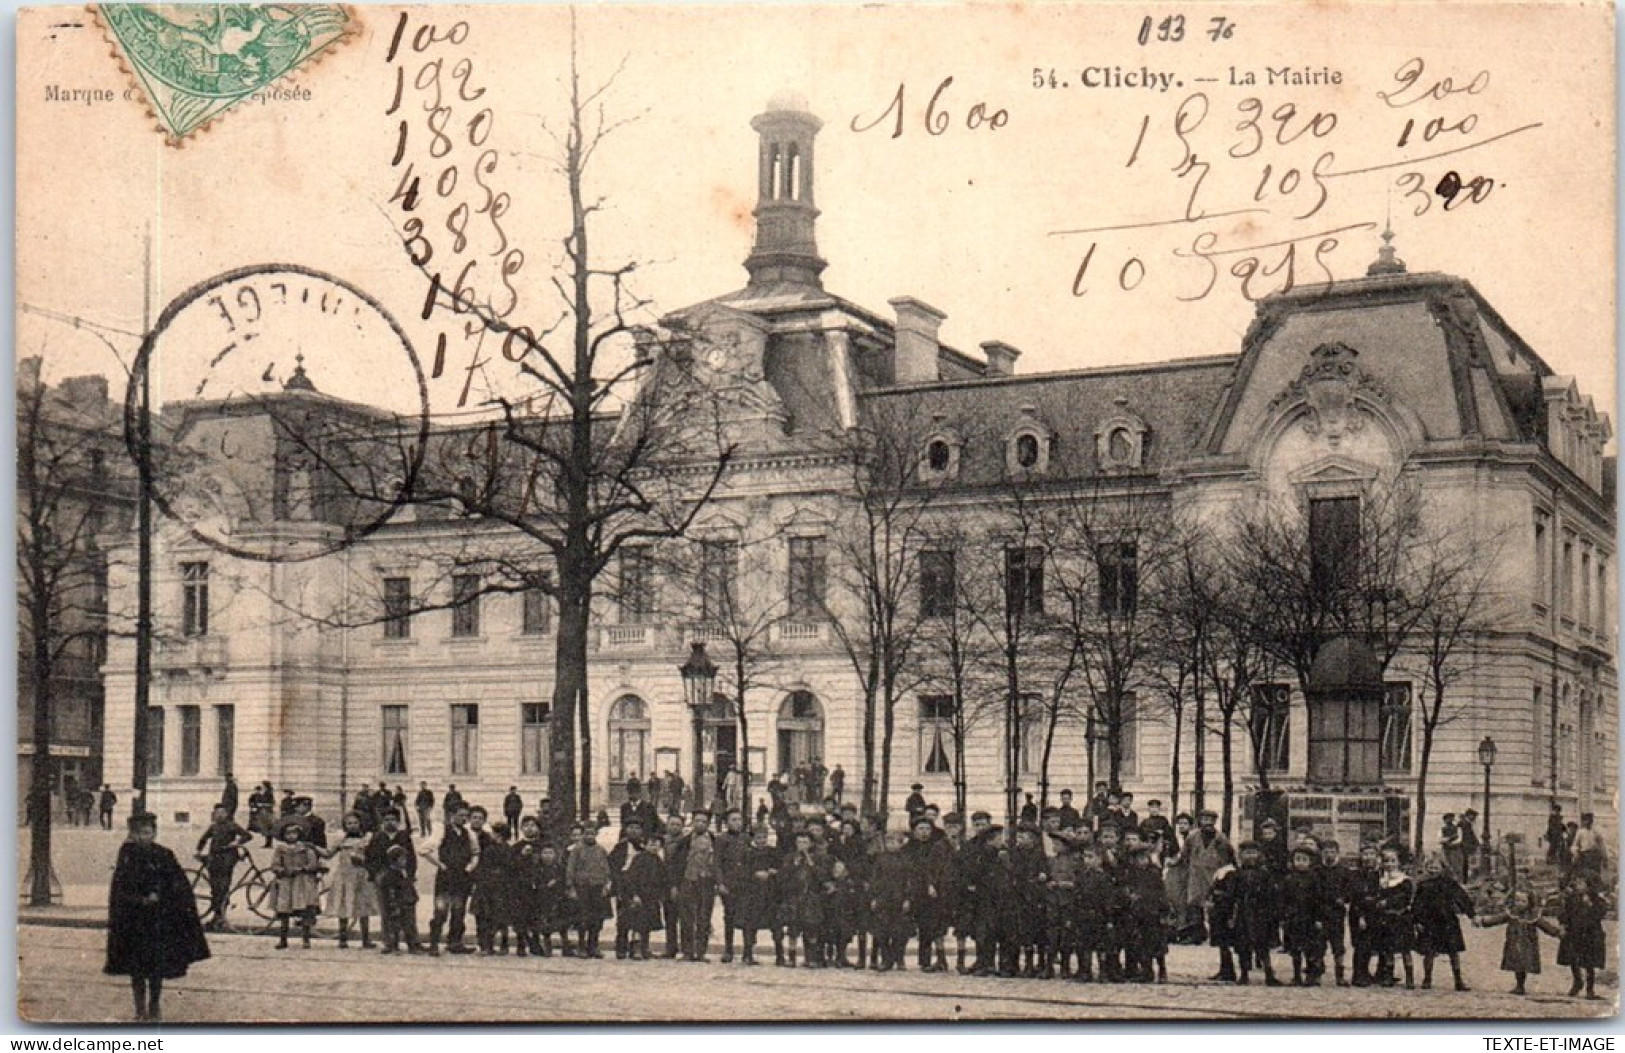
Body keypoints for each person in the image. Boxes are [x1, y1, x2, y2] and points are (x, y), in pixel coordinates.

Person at [105, 812, 210, 1022]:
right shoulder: (126, 855)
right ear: (132, 834)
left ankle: (154, 1006)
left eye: (148, 832)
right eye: (140, 833)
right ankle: (139, 1008)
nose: (145, 837)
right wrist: (139, 899)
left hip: (157, 921)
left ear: (154, 833)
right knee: (136, 968)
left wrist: (161, 895)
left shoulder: (164, 854)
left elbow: (179, 883)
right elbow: (119, 888)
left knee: (155, 968)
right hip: (134, 921)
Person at [1476, 884, 1562, 995]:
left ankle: (1521, 985)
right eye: (1517, 900)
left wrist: (1556, 932)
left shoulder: (1533, 916)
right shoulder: (1512, 913)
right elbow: (1497, 919)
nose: (1519, 903)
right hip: (1514, 942)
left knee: (1523, 963)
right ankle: (1519, 985)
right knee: (1517, 964)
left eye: (1523, 901)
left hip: (1528, 945)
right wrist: (1483, 921)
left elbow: (1545, 925)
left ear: (1529, 903)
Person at [1412, 853, 1474, 990]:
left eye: (1436, 867)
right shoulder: (1423, 885)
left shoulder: (1450, 883)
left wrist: (1471, 914)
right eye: (1430, 867)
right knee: (1429, 952)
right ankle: (1427, 978)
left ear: (1442, 868)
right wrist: (1417, 921)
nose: (1433, 870)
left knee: (1453, 951)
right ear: (1426, 868)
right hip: (1429, 923)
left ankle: (1458, 980)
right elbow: (1417, 904)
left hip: (1447, 921)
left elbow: (1462, 898)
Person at [427, 805, 478, 955]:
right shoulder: (442, 830)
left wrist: (470, 867)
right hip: (446, 876)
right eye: (461, 815)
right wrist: (439, 864)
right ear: (452, 814)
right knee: (441, 911)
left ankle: (455, 943)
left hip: (462, 877)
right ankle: (434, 944)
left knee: (458, 911)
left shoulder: (468, 833)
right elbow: (424, 849)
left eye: (465, 816)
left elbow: (476, 852)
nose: (464, 818)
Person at [323, 812, 379, 950]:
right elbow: (328, 854)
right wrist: (313, 847)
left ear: (360, 823)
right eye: (349, 823)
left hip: (361, 875)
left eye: (355, 823)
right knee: (343, 905)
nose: (352, 826)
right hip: (344, 876)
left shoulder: (367, 839)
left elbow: (374, 857)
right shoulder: (340, 840)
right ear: (345, 825)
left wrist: (363, 860)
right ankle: (343, 939)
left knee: (363, 907)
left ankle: (366, 939)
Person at [193, 803, 251, 931]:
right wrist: (198, 850)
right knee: (215, 888)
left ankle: (221, 916)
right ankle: (216, 915)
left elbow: (247, 835)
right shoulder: (213, 827)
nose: (219, 815)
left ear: (227, 814)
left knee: (224, 886)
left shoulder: (232, 825)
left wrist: (236, 842)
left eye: (222, 813)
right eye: (217, 813)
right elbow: (203, 839)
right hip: (214, 859)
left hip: (228, 858)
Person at [1279, 844, 1328, 986]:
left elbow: (1319, 900)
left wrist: (1318, 918)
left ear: (1310, 862)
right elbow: (1283, 899)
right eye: (1298, 859)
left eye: (1304, 860)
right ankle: (1296, 975)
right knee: (1295, 949)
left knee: (1310, 948)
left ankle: (1311, 975)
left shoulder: (1314, 879)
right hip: (1293, 919)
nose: (1300, 863)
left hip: (1309, 918)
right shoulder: (1289, 879)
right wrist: (1283, 916)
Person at [269, 823, 323, 949]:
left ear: (299, 834)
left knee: (305, 910)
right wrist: (281, 870)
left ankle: (306, 939)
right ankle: (283, 939)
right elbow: (275, 864)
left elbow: (313, 864)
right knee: (284, 911)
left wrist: (302, 869)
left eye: (294, 833)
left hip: (302, 882)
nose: (291, 836)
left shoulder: (306, 849)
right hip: (287, 882)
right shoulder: (281, 849)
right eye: (288, 833)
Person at [1557, 873, 1610, 1000]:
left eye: (1581, 883)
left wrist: (1590, 904)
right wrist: (1563, 925)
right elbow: (1564, 913)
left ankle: (1590, 989)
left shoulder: (1597, 900)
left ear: (1589, 886)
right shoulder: (1571, 899)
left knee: (1589, 962)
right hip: (1574, 933)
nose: (1578, 885)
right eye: (1577, 882)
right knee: (1573, 959)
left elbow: (1600, 914)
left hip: (1590, 935)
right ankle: (1577, 982)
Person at [1370, 846, 1416, 988]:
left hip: (1401, 918)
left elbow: (1405, 898)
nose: (1389, 864)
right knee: (1388, 948)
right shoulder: (1382, 880)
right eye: (1386, 861)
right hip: (1386, 918)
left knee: (1405, 949)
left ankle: (1410, 978)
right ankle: (1388, 975)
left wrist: (1388, 902)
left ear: (1398, 862)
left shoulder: (1404, 880)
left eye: (1392, 861)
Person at [676, 810, 720, 962]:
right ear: (692, 822)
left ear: (708, 824)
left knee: (704, 917)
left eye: (703, 821)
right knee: (686, 917)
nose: (700, 824)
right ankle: (687, 951)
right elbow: (677, 863)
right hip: (688, 880)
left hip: (706, 882)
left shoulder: (715, 841)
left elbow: (718, 863)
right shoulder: (684, 842)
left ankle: (701, 951)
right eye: (697, 821)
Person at [565, 822, 611, 958]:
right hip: (582, 888)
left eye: (592, 833)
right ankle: (581, 946)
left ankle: (593, 945)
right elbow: (570, 869)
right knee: (583, 918)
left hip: (597, 888)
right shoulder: (577, 850)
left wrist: (606, 885)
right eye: (587, 833)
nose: (590, 836)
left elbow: (606, 869)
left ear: (596, 834)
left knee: (597, 919)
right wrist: (571, 887)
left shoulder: (601, 850)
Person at [377, 844, 424, 955]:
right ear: (394, 860)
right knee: (394, 926)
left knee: (409, 926)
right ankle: (392, 945)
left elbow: (409, 886)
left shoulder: (403, 872)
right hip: (397, 904)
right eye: (402, 859)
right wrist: (393, 905)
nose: (405, 861)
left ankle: (412, 946)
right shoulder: (389, 875)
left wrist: (414, 897)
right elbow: (390, 892)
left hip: (407, 903)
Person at [1571, 812, 1607, 880]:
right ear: (1583, 821)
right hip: (1585, 855)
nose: (1588, 822)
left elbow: (1601, 844)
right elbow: (1575, 845)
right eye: (1586, 820)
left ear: (1592, 821)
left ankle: (1596, 887)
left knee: (1596, 873)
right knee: (1587, 873)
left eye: (1590, 820)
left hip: (1595, 855)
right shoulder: (1580, 832)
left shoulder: (1595, 832)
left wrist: (1604, 856)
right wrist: (1575, 854)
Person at [1439, 814, 1466, 882]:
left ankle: (1458, 882)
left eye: (1450, 819)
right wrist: (1449, 839)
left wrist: (1451, 843)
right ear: (1444, 820)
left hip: (1455, 849)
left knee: (1457, 866)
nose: (1449, 820)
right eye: (1447, 819)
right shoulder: (1442, 829)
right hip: (1445, 849)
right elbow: (1440, 839)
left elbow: (1460, 839)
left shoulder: (1458, 828)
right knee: (1447, 866)